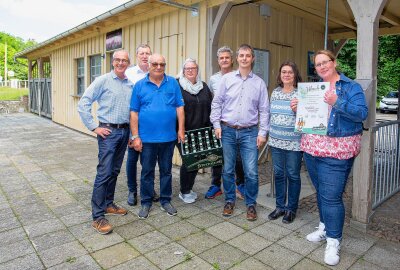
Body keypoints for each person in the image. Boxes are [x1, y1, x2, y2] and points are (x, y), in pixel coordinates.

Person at [294, 50, 368, 266]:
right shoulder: (313, 89)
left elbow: (361, 113)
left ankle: (334, 241)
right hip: (311, 149)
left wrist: (337, 101)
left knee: (331, 196)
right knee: (322, 192)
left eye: (325, 62)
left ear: (334, 63)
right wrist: (298, 110)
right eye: (318, 65)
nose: (322, 67)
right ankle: (325, 228)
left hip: (338, 151)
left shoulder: (350, 87)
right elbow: (307, 118)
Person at [210, 44, 270, 221]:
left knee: (251, 171)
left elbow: (265, 110)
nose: (244, 58)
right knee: (227, 170)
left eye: (248, 55)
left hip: (249, 133)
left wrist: (262, 133)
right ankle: (229, 200)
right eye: (241, 55)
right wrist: (216, 125)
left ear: (252, 59)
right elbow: (217, 103)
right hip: (227, 130)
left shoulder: (259, 83)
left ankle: (251, 204)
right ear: (237, 59)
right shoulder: (226, 79)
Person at [77, 49, 132, 235]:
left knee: (115, 171)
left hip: (124, 132)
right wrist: (94, 127)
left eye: (124, 60)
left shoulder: (130, 84)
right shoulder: (103, 81)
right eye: (117, 60)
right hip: (108, 133)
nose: (120, 63)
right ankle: (97, 216)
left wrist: (132, 135)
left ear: (128, 63)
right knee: (104, 172)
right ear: (112, 61)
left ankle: (109, 204)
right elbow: (83, 103)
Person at [130, 53, 185, 219]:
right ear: (149, 65)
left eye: (162, 64)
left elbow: (180, 108)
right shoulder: (139, 86)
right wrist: (135, 136)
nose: (159, 67)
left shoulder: (173, 83)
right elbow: (134, 112)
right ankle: (146, 202)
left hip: (168, 138)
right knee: (147, 171)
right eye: (155, 64)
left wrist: (181, 130)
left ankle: (165, 200)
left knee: (166, 171)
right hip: (147, 139)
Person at [206, 46, 246, 200]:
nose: (224, 60)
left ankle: (240, 184)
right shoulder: (213, 79)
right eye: (221, 58)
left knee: (237, 157)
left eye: (227, 58)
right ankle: (216, 185)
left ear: (232, 60)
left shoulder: (239, 76)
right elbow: (212, 101)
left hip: (234, 124)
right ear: (218, 61)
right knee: (216, 155)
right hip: (218, 123)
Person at [175, 58, 216, 204]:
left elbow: (210, 107)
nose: (191, 71)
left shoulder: (203, 86)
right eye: (187, 69)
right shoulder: (177, 85)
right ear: (183, 71)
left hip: (201, 131)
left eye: (193, 68)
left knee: (197, 160)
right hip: (183, 131)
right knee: (189, 160)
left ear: (197, 71)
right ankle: (184, 191)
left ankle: (188, 188)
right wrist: (180, 129)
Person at [267, 61, 303, 224]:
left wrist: (298, 111)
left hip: (293, 143)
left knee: (293, 175)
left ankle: (291, 209)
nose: (286, 75)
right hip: (275, 142)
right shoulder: (275, 92)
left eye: (290, 72)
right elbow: (270, 115)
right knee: (279, 175)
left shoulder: (301, 94)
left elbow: (305, 119)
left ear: (295, 75)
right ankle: (280, 206)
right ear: (280, 75)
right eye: (284, 72)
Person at [124, 44, 158, 206]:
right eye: (142, 53)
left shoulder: (156, 73)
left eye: (148, 53)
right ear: (137, 56)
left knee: (149, 160)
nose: (145, 56)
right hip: (134, 123)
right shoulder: (129, 74)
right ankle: (132, 190)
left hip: (150, 126)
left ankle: (149, 189)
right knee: (132, 159)